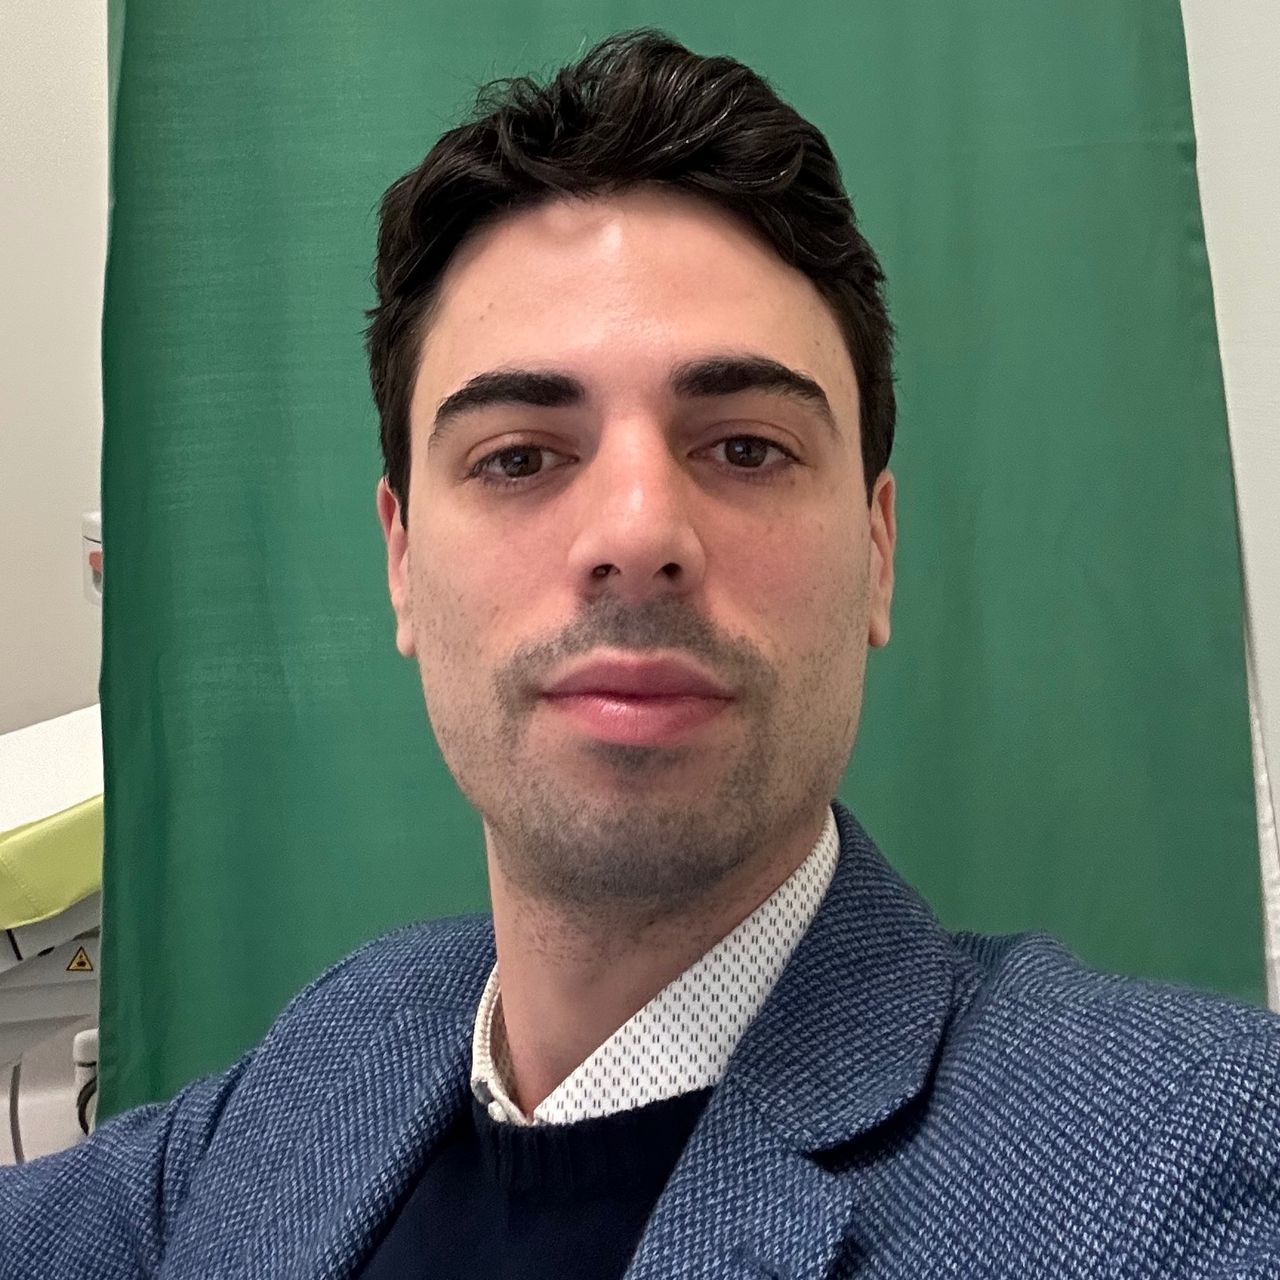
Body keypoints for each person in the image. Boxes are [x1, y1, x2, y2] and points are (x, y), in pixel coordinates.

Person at [4, 26, 1280, 1280]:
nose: (635, 533)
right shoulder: (346, 1041)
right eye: (517, 456)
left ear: (877, 551)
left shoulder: (1198, 1154)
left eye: (744, 447)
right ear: (400, 560)